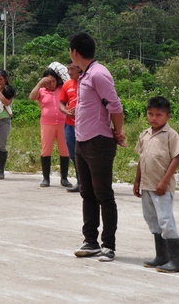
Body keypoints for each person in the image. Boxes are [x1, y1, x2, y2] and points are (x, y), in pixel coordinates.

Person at [69, 32, 125, 262]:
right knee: (87, 193)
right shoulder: (84, 75)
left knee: (104, 194)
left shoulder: (99, 74)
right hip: (82, 142)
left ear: (74, 52)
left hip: (99, 142)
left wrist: (118, 132)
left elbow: (116, 107)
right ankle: (90, 241)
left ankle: (108, 245)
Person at [133, 96, 179, 273]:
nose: (154, 118)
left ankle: (177, 261)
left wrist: (164, 181)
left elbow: (176, 158)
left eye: (159, 115)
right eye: (150, 114)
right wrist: (137, 180)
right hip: (147, 185)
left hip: (162, 187)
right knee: (152, 219)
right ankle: (162, 256)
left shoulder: (171, 135)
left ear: (168, 117)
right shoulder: (144, 134)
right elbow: (141, 159)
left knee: (165, 220)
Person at [29, 68, 72, 188]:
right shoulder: (41, 91)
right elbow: (31, 97)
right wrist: (40, 84)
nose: (51, 84)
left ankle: (64, 178)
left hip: (63, 123)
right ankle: (46, 178)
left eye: (53, 81)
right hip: (47, 124)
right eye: (48, 81)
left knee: (65, 150)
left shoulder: (62, 89)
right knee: (46, 150)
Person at [59, 62, 82, 192]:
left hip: (84, 125)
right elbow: (61, 103)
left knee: (84, 153)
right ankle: (80, 182)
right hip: (69, 124)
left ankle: (88, 183)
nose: (69, 72)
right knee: (73, 153)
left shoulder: (86, 82)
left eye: (71, 69)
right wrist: (65, 111)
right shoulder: (67, 85)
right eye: (68, 69)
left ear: (79, 68)